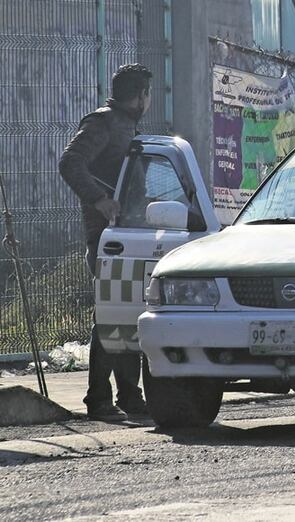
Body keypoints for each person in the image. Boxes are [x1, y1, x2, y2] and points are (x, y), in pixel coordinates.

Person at [59, 64, 153, 422]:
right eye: (148, 94)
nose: (148, 100)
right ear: (141, 94)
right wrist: (100, 199)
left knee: (126, 315)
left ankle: (129, 396)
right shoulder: (103, 122)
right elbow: (71, 162)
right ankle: (99, 399)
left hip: (127, 238)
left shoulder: (125, 125)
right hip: (108, 239)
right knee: (111, 316)